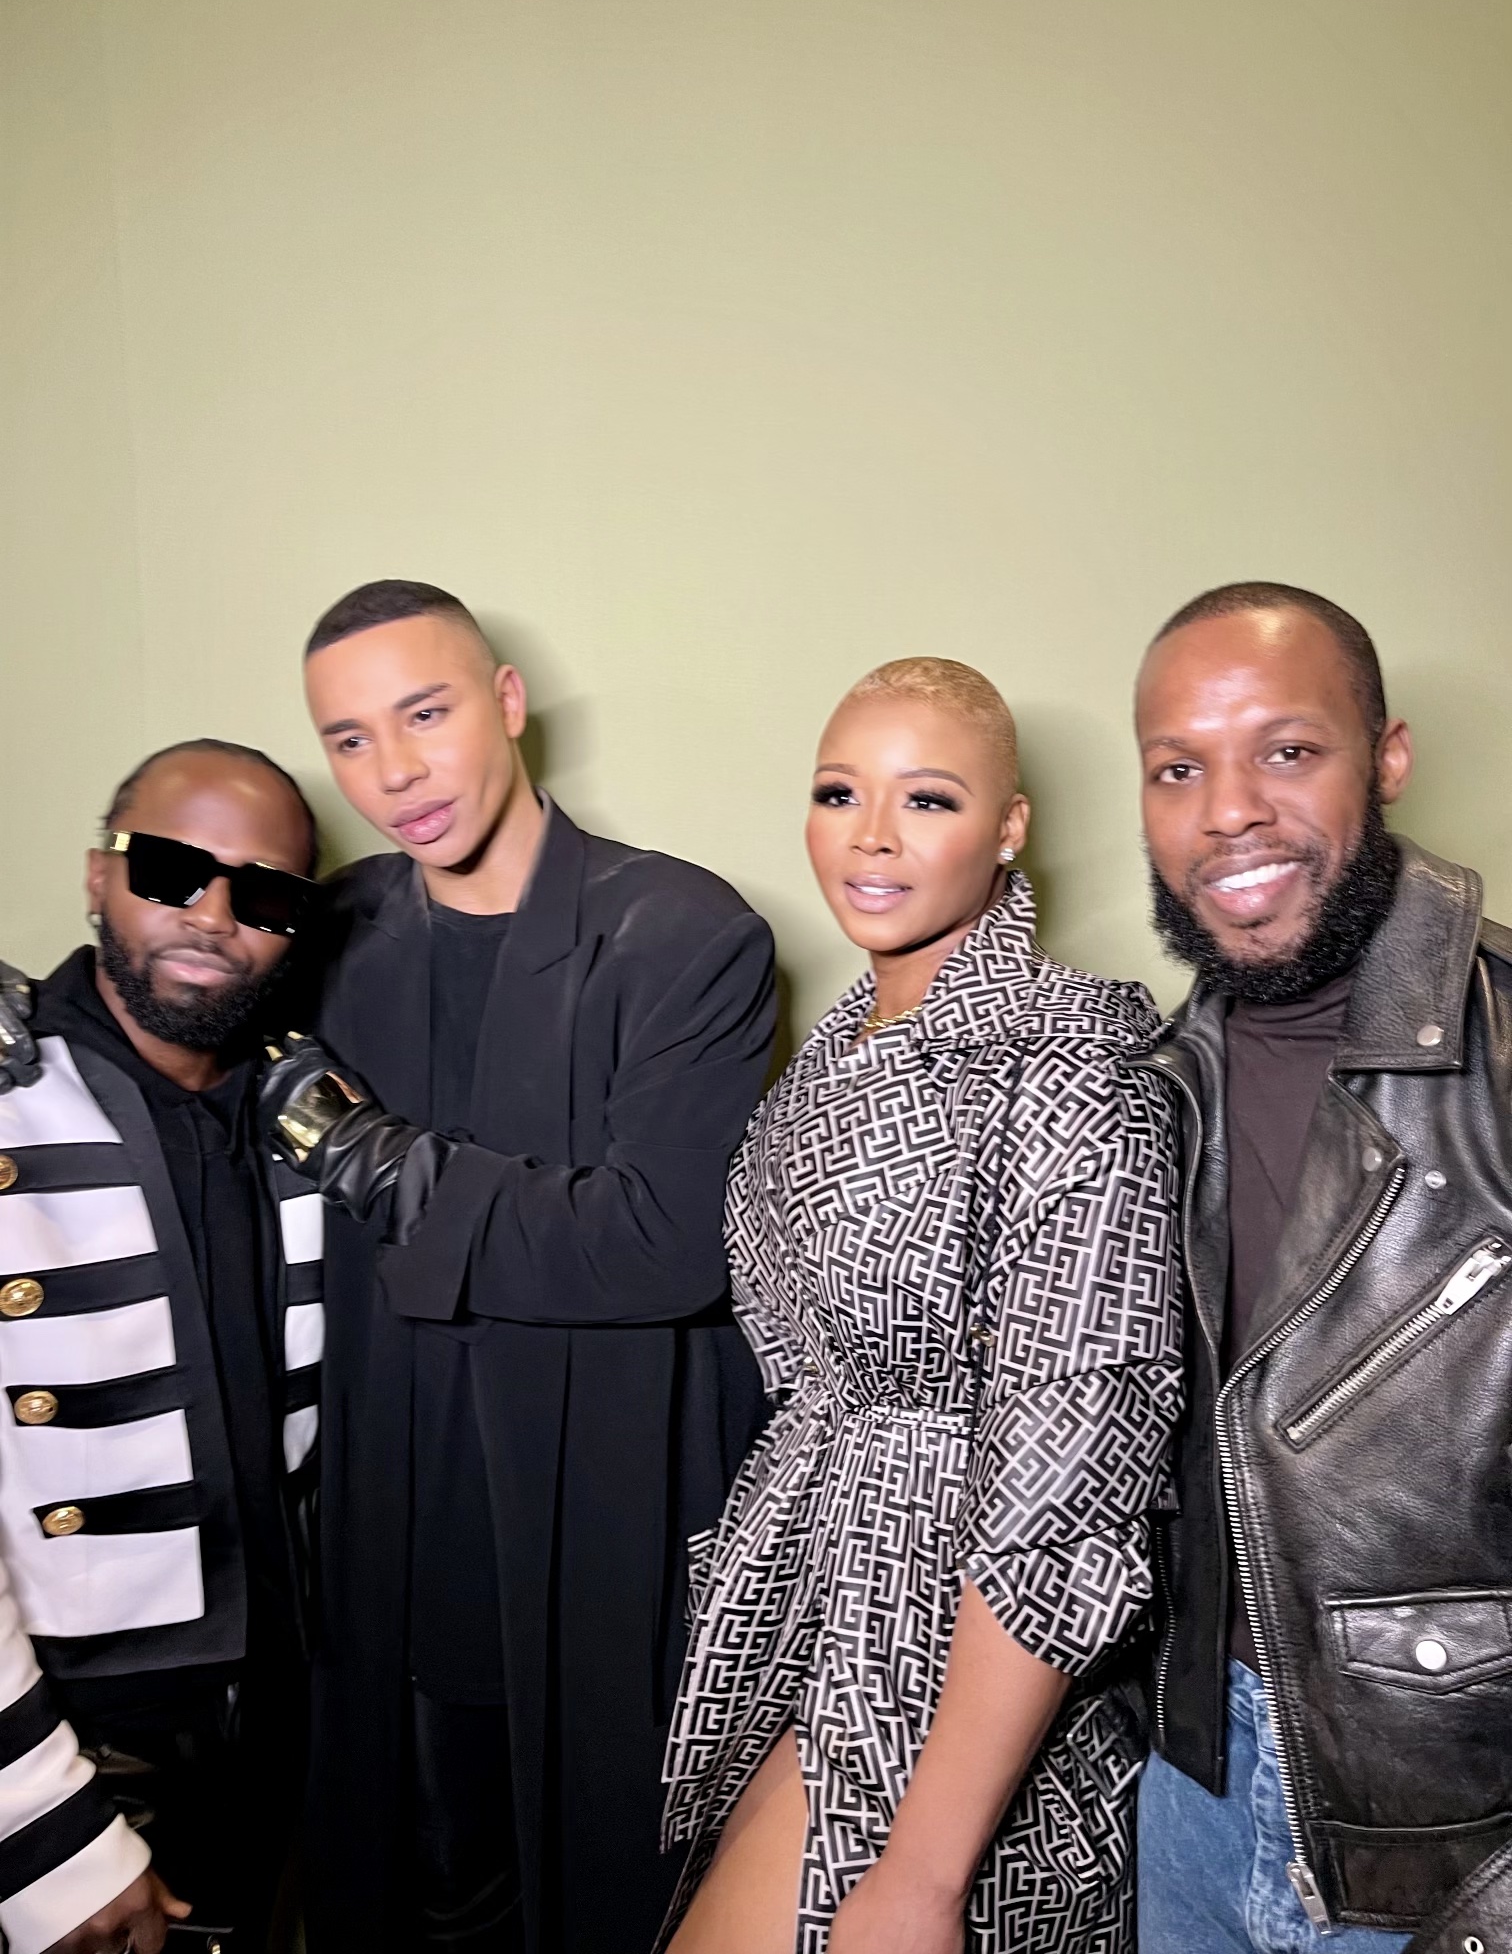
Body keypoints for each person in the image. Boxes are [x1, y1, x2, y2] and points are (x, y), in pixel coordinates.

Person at [260, 580, 777, 1954]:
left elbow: (662, 1243)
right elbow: (179, 983)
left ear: (505, 702)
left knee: (607, 1897)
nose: (395, 771)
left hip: (596, 1535)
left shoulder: (685, 931)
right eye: (351, 739)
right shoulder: (335, 927)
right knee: (415, 1895)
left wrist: (384, 1163)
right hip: (388, 1537)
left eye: (425, 715)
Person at [657, 657, 1183, 1954]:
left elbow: (1073, 1491)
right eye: (839, 792)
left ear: (1011, 828)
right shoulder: (827, 1062)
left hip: (953, 1658)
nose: (873, 836)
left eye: (928, 799)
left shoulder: (1073, 1069)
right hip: (807, 1606)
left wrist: (925, 1875)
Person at [1134, 581, 1512, 1954]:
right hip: (1187, 1790)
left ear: (1388, 758)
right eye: (1178, 769)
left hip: (1446, 1841)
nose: (1228, 810)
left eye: (1286, 750)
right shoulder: (1151, 1082)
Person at [0, 740, 326, 1950]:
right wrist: (41, 1825)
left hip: (289, 1723)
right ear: (98, 875)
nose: (213, 916)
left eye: (265, 893)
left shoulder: (317, 1111)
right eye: (171, 870)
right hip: (70, 1742)